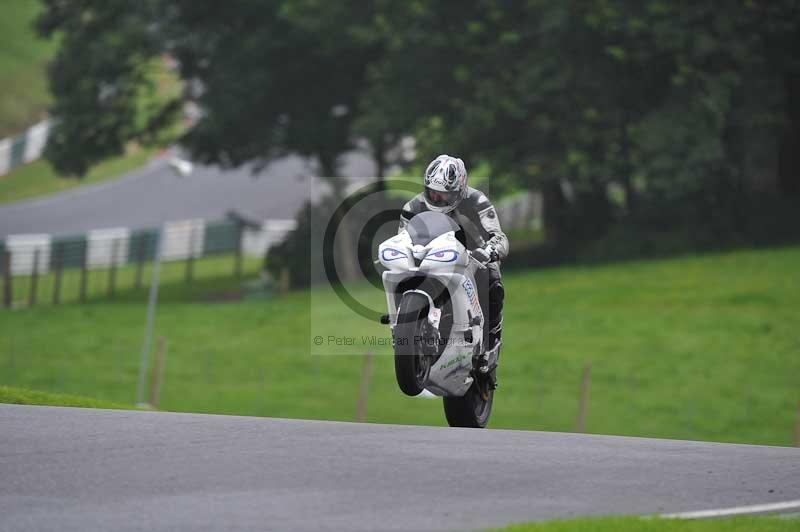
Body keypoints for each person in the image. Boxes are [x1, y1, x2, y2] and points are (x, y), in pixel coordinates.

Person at [398, 154, 508, 368]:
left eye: (444, 195)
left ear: (460, 189)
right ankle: (404, 325)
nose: (436, 199)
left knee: (492, 278)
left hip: (473, 257)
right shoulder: (412, 207)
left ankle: (490, 341)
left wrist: (490, 250)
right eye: (432, 193)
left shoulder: (477, 201)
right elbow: (402, 238)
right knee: (402, 274)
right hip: (430, 257)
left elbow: (499, 236)